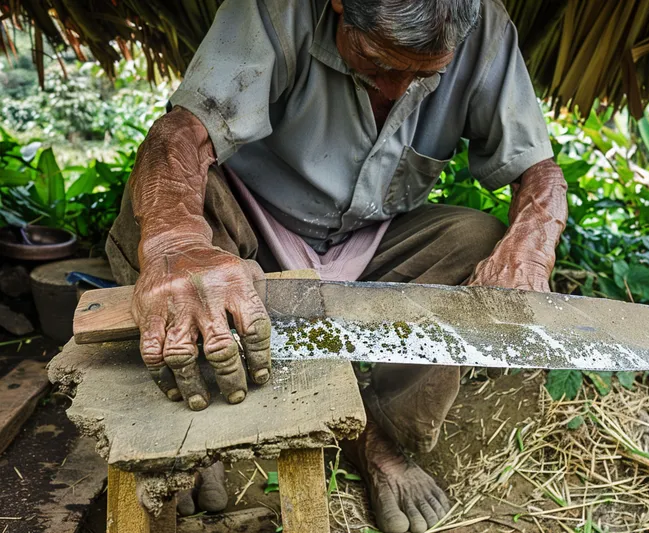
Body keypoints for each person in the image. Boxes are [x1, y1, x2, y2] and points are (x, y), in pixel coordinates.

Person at [105, 0, 567, 531]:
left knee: (479, 239)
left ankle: (382, 437)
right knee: (161, 211)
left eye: (425, 76)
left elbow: (540, 171)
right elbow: (179, 135)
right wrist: (176, 242)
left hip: (367, 241)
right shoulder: (277, 10)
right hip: (248, 230)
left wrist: (532, 242)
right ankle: (197, 425)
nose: (396, 90)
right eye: (377, 63)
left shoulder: (482, 24)